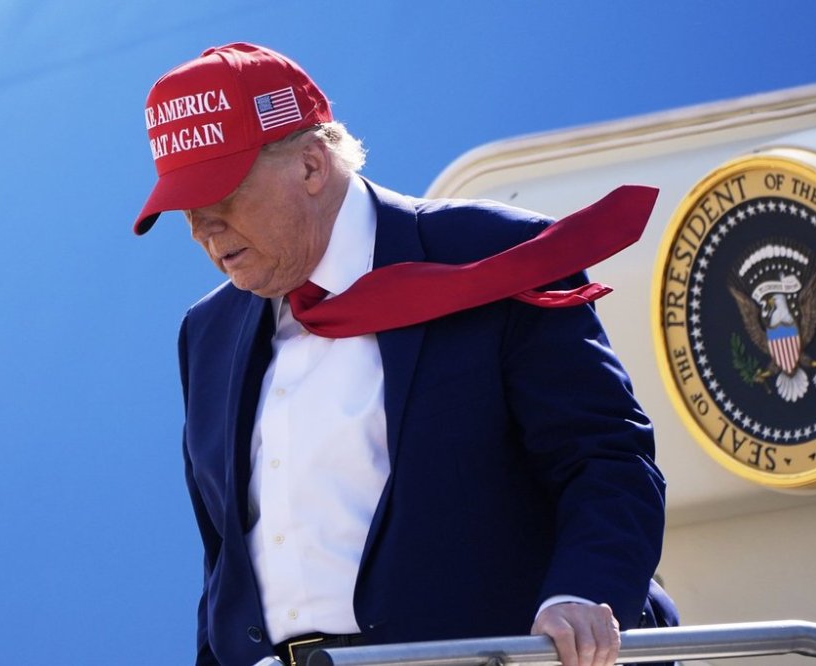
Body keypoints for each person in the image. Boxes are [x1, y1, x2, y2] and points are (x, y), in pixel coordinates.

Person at [133, 43, 677, 666]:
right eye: (185, 210)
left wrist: (582, 594)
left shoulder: (492, 255)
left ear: (311, 167)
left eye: (220, 197)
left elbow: (606, 459)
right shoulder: (208, 330)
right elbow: (225, 560)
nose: (203, 229)